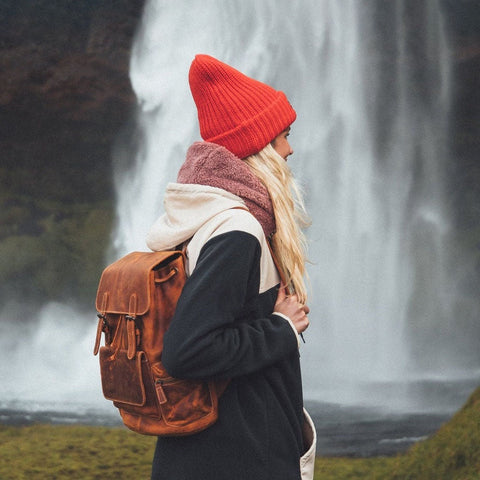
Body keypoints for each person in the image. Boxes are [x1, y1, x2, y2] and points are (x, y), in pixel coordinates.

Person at [146, 54, 316, 480]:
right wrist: (281, 327)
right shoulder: (236, 229)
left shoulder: (214, 216)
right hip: (235, 455)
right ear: (258, 147)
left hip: (216, 451)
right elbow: (188, 350)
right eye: (283, 137)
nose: (290, 149)